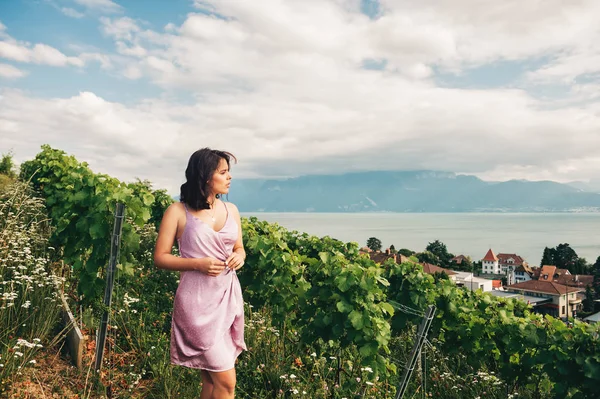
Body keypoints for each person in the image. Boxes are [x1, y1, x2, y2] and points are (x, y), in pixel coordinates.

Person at [154, 148, 247, 399]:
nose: (229, 178)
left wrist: (239, 256)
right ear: (206, 176)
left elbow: (239, 247)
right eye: (224, 172)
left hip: (227, 301)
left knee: (209, 379)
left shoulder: (232, 210)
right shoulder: (177, 211)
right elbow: (160, 257)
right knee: (226, 383)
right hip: (196, 305)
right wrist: (197, 264)